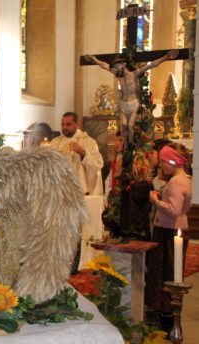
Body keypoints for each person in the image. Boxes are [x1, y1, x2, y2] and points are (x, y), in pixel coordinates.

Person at [84, 50, 178, 145]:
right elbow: (104, 65)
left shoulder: (134, 74)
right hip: (123, 104)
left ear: (123, 65)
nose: (115, 69)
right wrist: (94, 60)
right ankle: (126, 147)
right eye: (115, 68)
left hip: (133, 104)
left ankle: (130, 144)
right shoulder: (118, 75)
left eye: (117, 67)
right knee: (123, 126)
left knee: (129, 126)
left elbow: (151, 65)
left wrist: (166, 57)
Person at [145, 142, 192, 334]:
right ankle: (166, 314)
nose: (161, 165)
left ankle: (164, 316)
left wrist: (156, 200)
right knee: (169, 273)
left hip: (168, 231)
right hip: (174, 230)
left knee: (164, 274)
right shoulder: (186, 179)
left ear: (173, 161)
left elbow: (173, 210)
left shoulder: (176, 182)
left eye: (164, 161)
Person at [50, 112, 104, 196]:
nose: (64, 127)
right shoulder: (55, 142)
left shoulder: (88, 142)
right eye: (62, 124)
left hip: (80, 191)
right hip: (60, 190)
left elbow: (97, 164)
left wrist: (83, 153)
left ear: (77, 124)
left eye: (68, 124)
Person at [104, 132, 124, 205]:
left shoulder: (130, 161)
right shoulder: (115, 161)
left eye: (120, 140)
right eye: (116, 140)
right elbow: (109, 182)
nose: (116, 143)